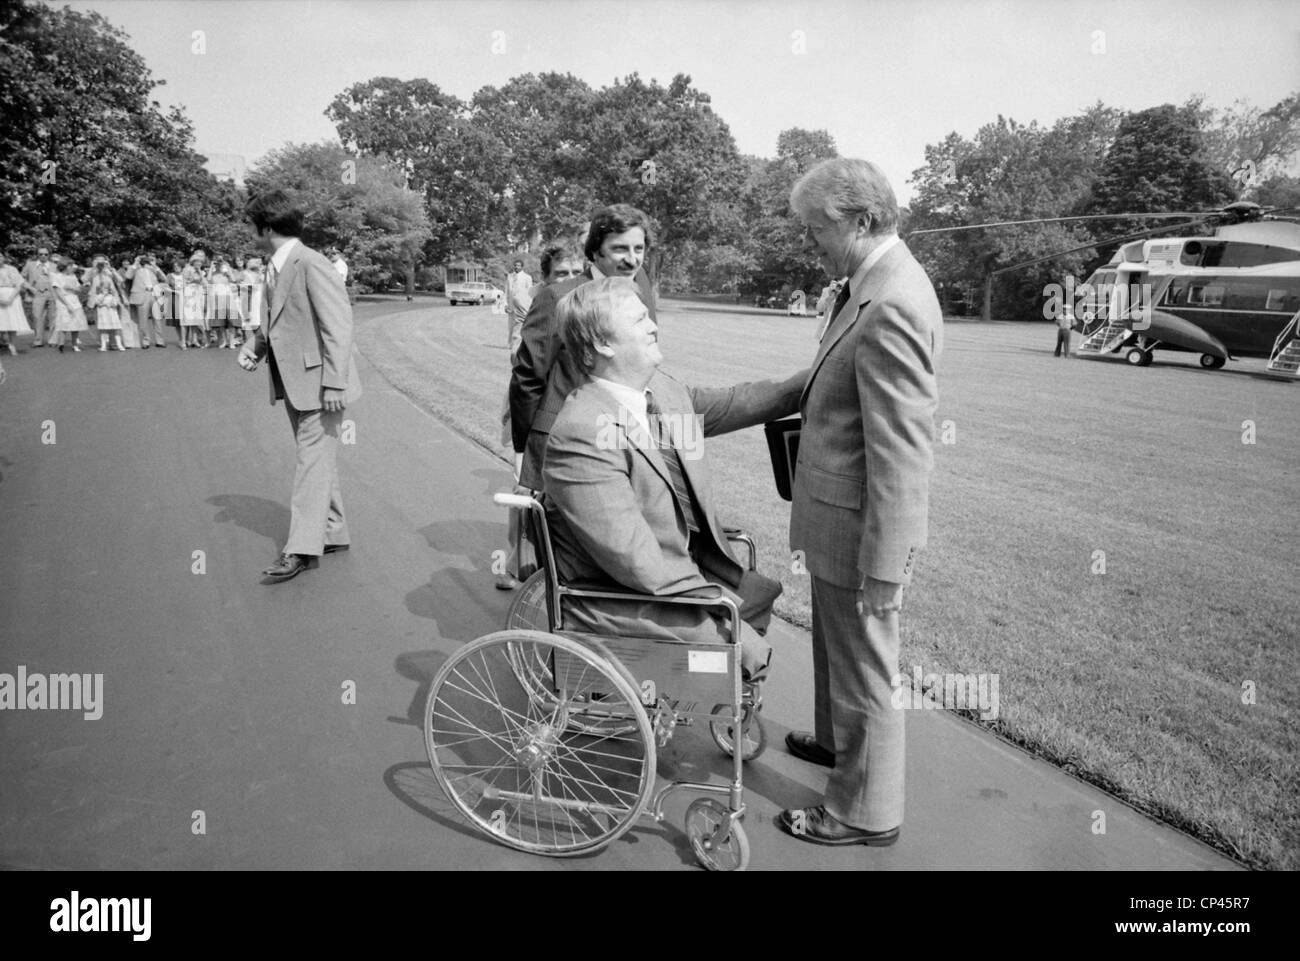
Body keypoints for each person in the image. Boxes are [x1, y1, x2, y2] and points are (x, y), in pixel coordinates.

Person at [779, 158, 943, 848]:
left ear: (863, 219)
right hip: (832, 518)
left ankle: (862, 811)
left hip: (858, 533)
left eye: (817, 228)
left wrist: (886, 568)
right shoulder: (865, 285)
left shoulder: (894, 300)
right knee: (835, 652)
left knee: (866, 668)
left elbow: (904, 454)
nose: (810, 241)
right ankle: (836, 744)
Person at [543, 277, 806, 680]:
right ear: (602, 344)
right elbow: (634, 560)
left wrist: (816, 377)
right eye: (639, 320)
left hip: (683, 571)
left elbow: (739, 402)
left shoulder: (663, 394)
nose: (653, 326)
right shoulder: (583, 431)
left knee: (758, 595)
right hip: (625, 597)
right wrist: (718, 603)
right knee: (744, 646)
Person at [237, 188, 362, 583]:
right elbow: (277, 320)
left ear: (268, 226)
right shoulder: (275, 265)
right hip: (294, 382)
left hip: (322, 385)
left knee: (310, 463)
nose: (251, 232)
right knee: (318, 459)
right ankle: (333, 531)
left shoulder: (311, 263)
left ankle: (301, 549)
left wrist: (336, 384)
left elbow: (338, 325)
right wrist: (255, 347)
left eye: (253, 225)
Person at [510, 204, 658, 492]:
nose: (632, 260)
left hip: (624, 434)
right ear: (595, 251)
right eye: (619, 249)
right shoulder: (558, 297)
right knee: (554, 531)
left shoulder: (642, 284)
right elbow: (528, 378)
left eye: (638, 248)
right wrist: (524, 448)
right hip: (563, 440)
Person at [495, 239, 585, 591]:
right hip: (529, 404)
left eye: (576, 273)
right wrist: (525, 438)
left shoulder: (583, 304)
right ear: (545, 278)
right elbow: (525, 367)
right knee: (524, 488)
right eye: (561, 273)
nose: (570, 280)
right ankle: (516, 564)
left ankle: (544, 565)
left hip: (561, 406)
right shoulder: (535, 301)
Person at [127, 254, 167, 348]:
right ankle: (146, 341)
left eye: (147, 261)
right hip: (142, 295)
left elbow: (164, 279)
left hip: (154, 294)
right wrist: (136, 262)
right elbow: (128, 276)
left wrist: (155, 266)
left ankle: (159, 341)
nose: (146, 263)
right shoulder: (135, 269)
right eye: (144, 261)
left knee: (157, 319)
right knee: (143, 321)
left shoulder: (153, 269)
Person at [87, 257, 126, 351]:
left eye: (102, 262)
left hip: (110, 300)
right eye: (98, 262)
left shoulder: (109, 272)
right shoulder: (93, 272)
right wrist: (93, 268)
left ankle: (115, 344)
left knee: (114, 323)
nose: (101, 264)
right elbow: (84, 279)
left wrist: (111, 269)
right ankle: (103, 344)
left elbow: (120, 280)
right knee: (102, 324)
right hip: (98, 301)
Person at [21, 248, 57, 347]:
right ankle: (38, 340)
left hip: (52, 293)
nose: (43, 256)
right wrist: (29, 288)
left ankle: (52, 340)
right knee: (37, 317)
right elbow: (21, 278)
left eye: (46, 254)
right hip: (37, 293)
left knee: (53, 317)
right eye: (40, 254)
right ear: (37, 255)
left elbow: (60, 278)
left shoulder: (54, 266)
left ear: (49, 255)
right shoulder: (30, 265)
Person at [51, 258, 89, 352]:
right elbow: (58, 292)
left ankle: (74, 344)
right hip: (63, 300)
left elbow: (78, 289)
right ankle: (61, 344)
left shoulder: (73, 277)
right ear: (65, 266)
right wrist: (67, 304)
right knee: (64, 322)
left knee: (75, 323)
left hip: (74, 299)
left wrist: (73, 288)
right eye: (70, 266)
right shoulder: (57, 276)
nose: (72, 267)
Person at [0, 252, 33, 355]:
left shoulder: (12, 269)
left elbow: (19, 284)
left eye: (0, 256)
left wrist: (10, 298)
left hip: (12, 298)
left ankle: (12, 344)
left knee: (12, 322)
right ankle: (3, 342)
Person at [180, 252, 207, 349]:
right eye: (197, 262)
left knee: (196, 318)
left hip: (197, 295)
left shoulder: (200, 271)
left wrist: (200, 272)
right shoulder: (187, 269)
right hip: (188, 294)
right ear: (193, 262)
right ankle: (183, 341)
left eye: (200, 262)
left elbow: (204, 283)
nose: (199, 263)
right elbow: (183, 282)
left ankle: (194, 340)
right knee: (186, 319)